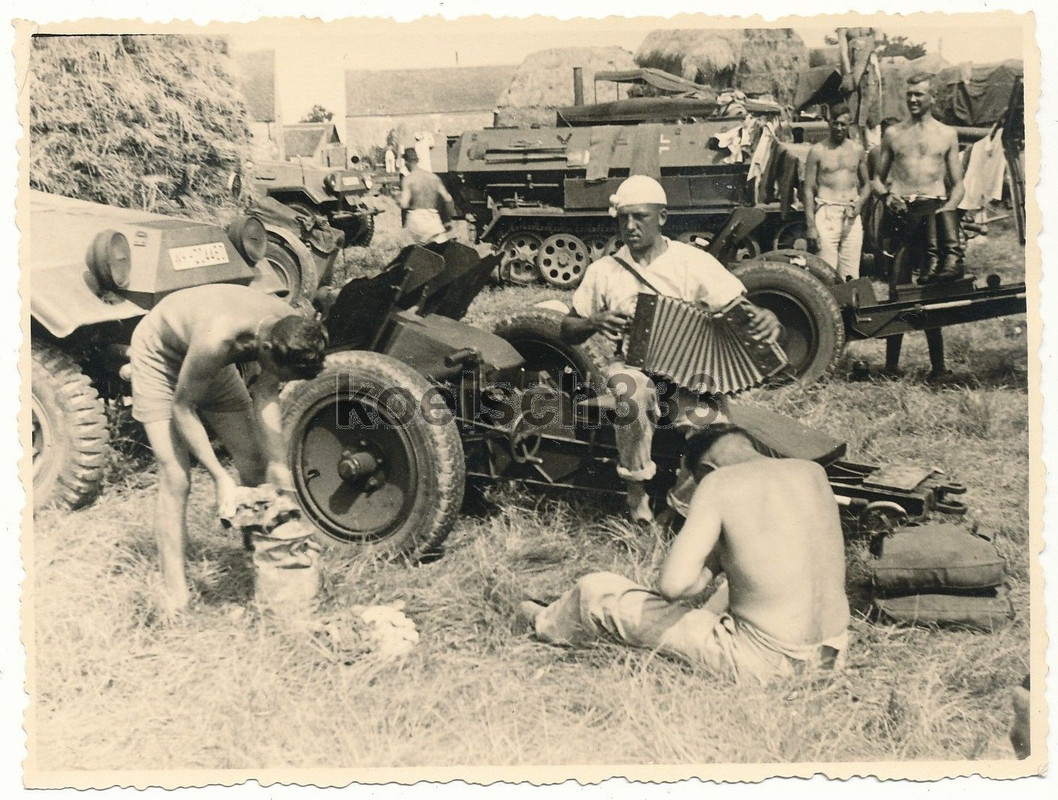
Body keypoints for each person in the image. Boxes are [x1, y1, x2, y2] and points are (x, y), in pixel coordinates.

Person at [518, 424, 851, 684]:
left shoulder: (718, 483)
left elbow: (673, 587)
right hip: (833, 654)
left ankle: (542, 621)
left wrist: (717, 557)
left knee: (596, 590)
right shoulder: (811, 472)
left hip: (764, 663)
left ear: (704, 470)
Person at [559, 176, 781, 524]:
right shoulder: (604, 270)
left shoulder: (694, 262)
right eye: (623, 218)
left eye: (640, 217)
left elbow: (743, 311)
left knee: (715, 429)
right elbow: (566, 329)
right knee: (630, 394)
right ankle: (636, 492)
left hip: (690, 372)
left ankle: (679, 504)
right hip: (631, 367)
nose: (630, 227)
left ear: (662, 217)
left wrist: (770, 318)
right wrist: (595, 321)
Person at [128, 284, 328, 613]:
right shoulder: (218, 338)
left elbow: (265, 391)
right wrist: (220, 477)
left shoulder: (289, 328)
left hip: (210, 364)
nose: (277, 377)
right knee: (176, 477)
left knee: (255, 461)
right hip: (160, 356)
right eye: (279, 371)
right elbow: (183, 407)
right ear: (264, 348)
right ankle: (175, 594)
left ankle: (263, 561)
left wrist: (278, 463)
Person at [871, 72, 966, 380]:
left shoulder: (947, 135)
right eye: (909, 94)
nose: (912, 99)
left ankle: (938, 368)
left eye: (919, 95)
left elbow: (959, 185)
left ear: (932, 98)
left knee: (931, 292)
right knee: (898, 291)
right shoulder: (893, 134)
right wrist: (887, 196)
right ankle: (890, 366)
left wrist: (947, 209)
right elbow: (875, 179)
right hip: (901, 214)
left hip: (932, 212)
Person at [804, 103, 870, 281]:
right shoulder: (817, 151)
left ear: (849, 125)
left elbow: (867, 185)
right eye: (836, 123)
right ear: (829, 122)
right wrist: (811, 226)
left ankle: (849, 308)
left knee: (851, 274)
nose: (839, 128)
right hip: (827, 214)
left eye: (843, 124)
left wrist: (859, 205)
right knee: (826, 272)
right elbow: (808, 189)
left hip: (851, 214)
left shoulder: (857, 150)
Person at [400, 147, 456, 245]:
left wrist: (397, 201)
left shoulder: (408, 179)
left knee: (411, 253)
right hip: (434, 220)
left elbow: (404, 204)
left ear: (406, 162)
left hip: (416, 221)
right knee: (441, 250)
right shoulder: (433, 177)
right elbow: (448, 199)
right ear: (417, 160)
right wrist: (447, 220)